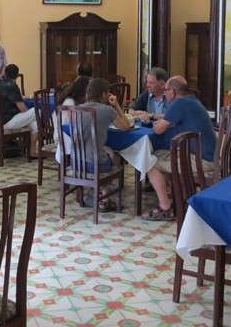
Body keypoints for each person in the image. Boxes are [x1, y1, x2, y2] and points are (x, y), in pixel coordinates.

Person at [143, 76, 217, 222]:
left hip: (201, 161)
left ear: (172, 91)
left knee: (149, 160)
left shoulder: (179, 103)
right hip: (210, 156)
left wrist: (158, 124)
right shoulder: (191, 100)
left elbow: (158, 130)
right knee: (161, 154)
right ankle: (173, 196)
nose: (165, 94)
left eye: (165, 91)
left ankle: (165, 207)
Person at [72, 78, 131, 211]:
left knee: (105, 150)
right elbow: (126, 126)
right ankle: (105, 198)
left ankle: (95, 195)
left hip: (75, 162)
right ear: (104, 94)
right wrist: (116, 106)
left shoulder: (78, 109)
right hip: (93, 165)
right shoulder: (107, 110)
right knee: (115, 156)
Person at [0, 64, 39, 156]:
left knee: (35, 124)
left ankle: (32, 152)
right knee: (37, 111)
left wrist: (29, 97)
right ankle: (31, 151)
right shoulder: (12, 86)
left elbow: (13, 98)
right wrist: (28, 116)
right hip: (9, 121)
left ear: (5, 74)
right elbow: (23, 109)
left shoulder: (0, 84)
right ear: (17, 75)